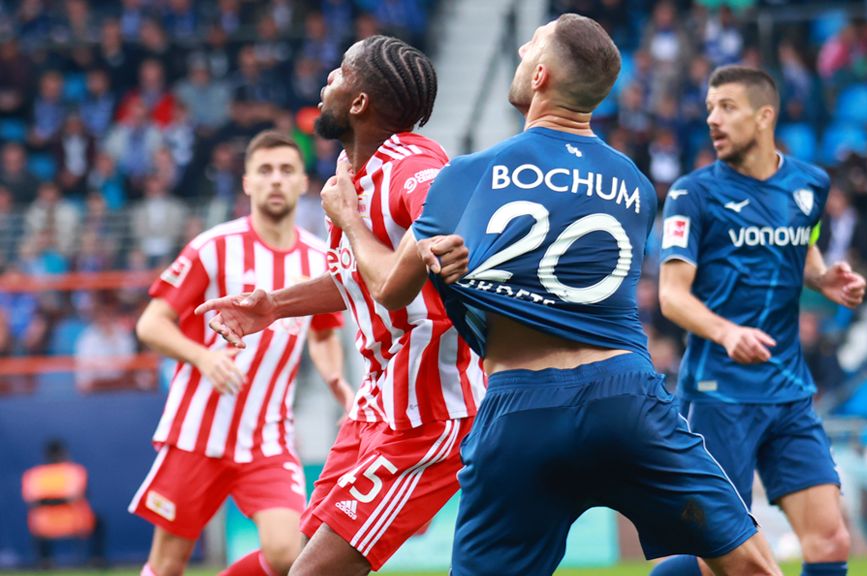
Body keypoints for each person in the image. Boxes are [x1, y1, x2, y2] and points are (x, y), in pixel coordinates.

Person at [404, 15, 780, 575]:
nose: (522, 50)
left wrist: (353, 220)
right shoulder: (633, 183)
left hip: (519, 409)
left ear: (540, 76)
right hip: (624, 399)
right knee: (749, 565)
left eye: (529, 46)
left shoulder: (472, 173)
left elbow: (393, 288)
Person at [196, 36, 486, 576]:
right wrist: (275, 306)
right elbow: (360, 276)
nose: (327, 77)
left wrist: (357, 221)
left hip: (429, 413)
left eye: (340, 73)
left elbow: (436, 235)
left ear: (359, 104)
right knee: (292, 559)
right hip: (377, 403)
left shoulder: (411, 163)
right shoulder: (348, 178)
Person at [655, 65, 867, 576]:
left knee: (832, 539)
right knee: (725, 559)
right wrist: (727, 332)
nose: (713, 119)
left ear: (764, 115)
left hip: (788, 390)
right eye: (709, 108)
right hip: (718, 394)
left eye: (726, 107)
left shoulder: (810, 184)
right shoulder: (694, 193)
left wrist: (822, 278)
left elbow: (803, 243)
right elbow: (671, 296)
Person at [130, 130, 349, 576]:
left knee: (291, 555)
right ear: (247, 183)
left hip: (268, 437)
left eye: (286, 171)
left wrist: (336, 383)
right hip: (197, 432)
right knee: (168, 565)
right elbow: (149, 324)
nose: (275, 180)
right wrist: (203, 356)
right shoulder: (213, 248)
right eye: (264, 171)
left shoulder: (319, 260)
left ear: (302, 182)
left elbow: (324, 333)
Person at [22, 439, 100, 568]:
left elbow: (33, 501)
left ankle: (44, 560)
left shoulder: (34, 474)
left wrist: (50, 502)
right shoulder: (74, 472)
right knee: (98, 521)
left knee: (35, 520)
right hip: (75, 522)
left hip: (44, 525)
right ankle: (96, 559)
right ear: (64, 453)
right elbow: (79, 496)